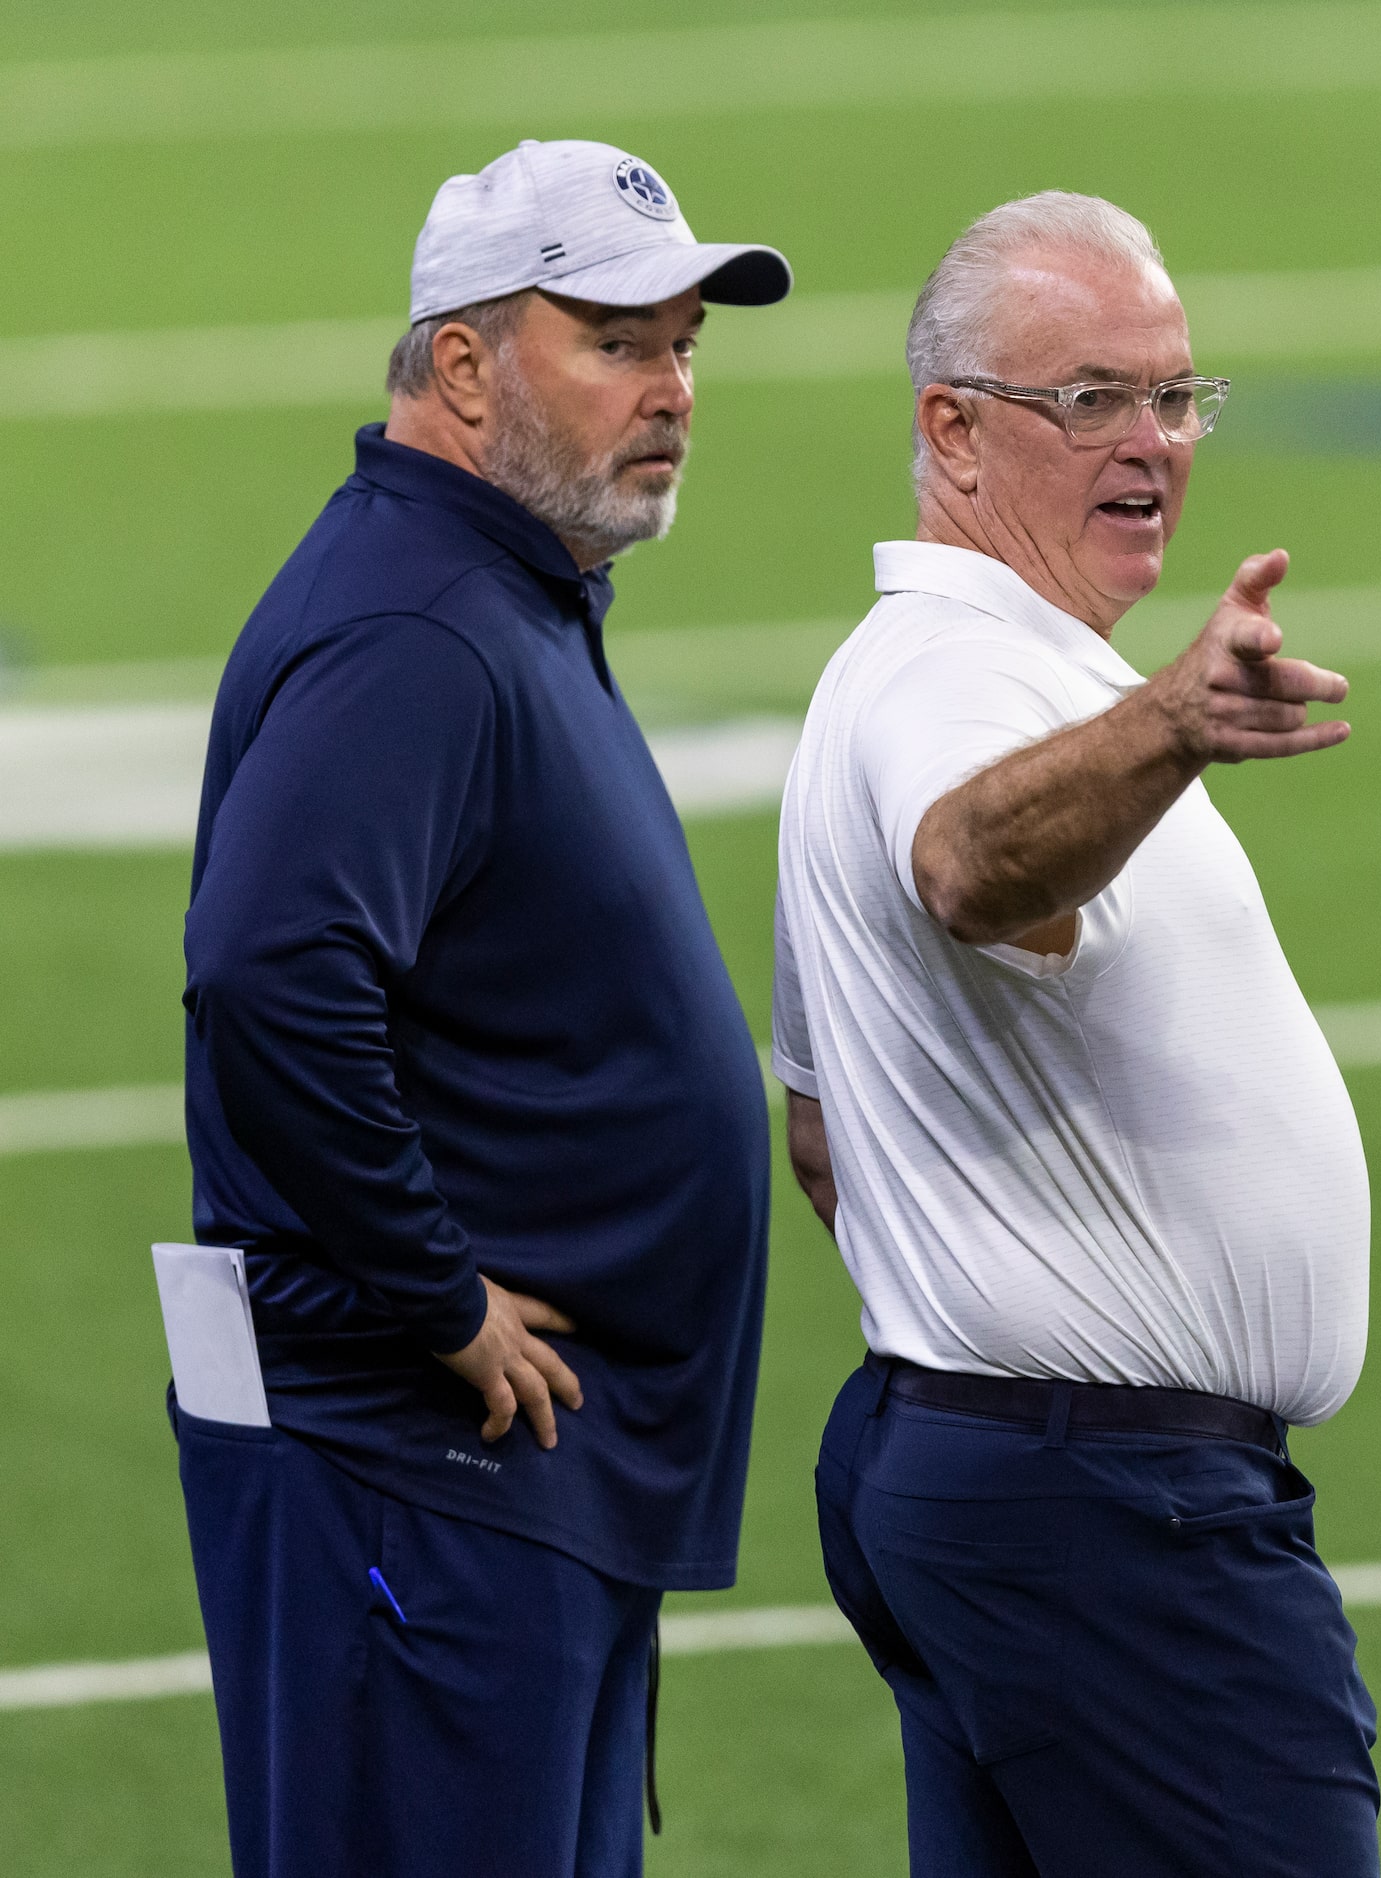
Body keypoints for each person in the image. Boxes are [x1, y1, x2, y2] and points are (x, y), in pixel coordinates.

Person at [176, 139, 790, 1878]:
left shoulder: (496, 592)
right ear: (463, 363)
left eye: (683, 344)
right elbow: (270, 968)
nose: (670, 389)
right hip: (423, 1473)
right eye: (615, 342)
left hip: (504, 1489)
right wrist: (435, 1294)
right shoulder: (421, 627)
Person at [772, 192, 1379, 1877]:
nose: (1155, 445)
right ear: (950, 431)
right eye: (1091, 398)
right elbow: (972, 864)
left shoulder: (938, 674)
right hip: (1109, 1521)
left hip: (1008, 1472)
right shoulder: (958, 681)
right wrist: (1176, 722)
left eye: (1177, 396)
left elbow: (823, 1134)